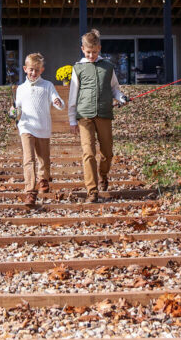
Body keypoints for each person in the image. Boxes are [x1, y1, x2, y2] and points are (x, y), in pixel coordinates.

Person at [68, 29, 129, 203]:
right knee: (88, 153)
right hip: (84, 116)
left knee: (107, 153)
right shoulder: (78, 68)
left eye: (94, 52)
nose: (92, 55)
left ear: (99, 49)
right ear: (82, 49)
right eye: (88, 52)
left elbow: (114, 88)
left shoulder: (108, 67)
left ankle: (103, 175)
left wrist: (121, 97)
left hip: (104, 113)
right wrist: (72, 119)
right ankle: (92, 191)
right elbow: (73, 95)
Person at [12, 53, 65, 208]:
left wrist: (57, 101)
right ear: (25, 69)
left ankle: (43, 179)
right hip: (26, 126)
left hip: (43, 127)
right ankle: (30, 191)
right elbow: (17, 109)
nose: (33, 73)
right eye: (30, 70)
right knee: (29, 159)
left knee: (43, 158)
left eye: (36, 70)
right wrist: (13, 112)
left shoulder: (47, 85)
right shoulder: (21, 89)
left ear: (41, 69)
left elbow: (59, 103)